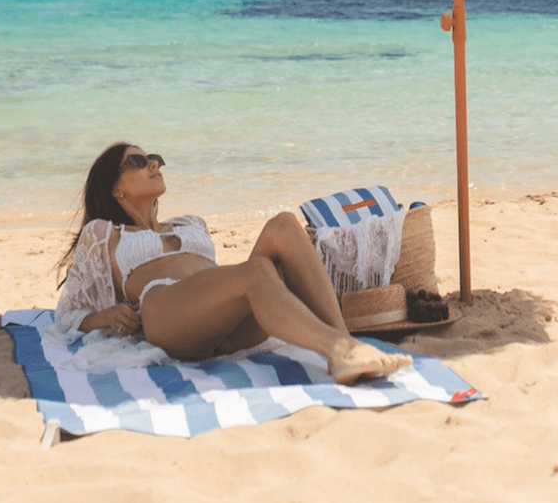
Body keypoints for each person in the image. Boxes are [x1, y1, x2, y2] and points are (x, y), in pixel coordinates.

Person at [55, 142, 411, 385]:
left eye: (154, 158)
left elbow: (215, 280)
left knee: (284, 225)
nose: (152, 163)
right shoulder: (105, 234)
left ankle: (345, 343)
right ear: (116, 188)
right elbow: (70, 311)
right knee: (258, 271)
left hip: (224, 320)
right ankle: (338, 349)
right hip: (167, 313)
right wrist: (107, 316)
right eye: (136, 161)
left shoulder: (190, 223)